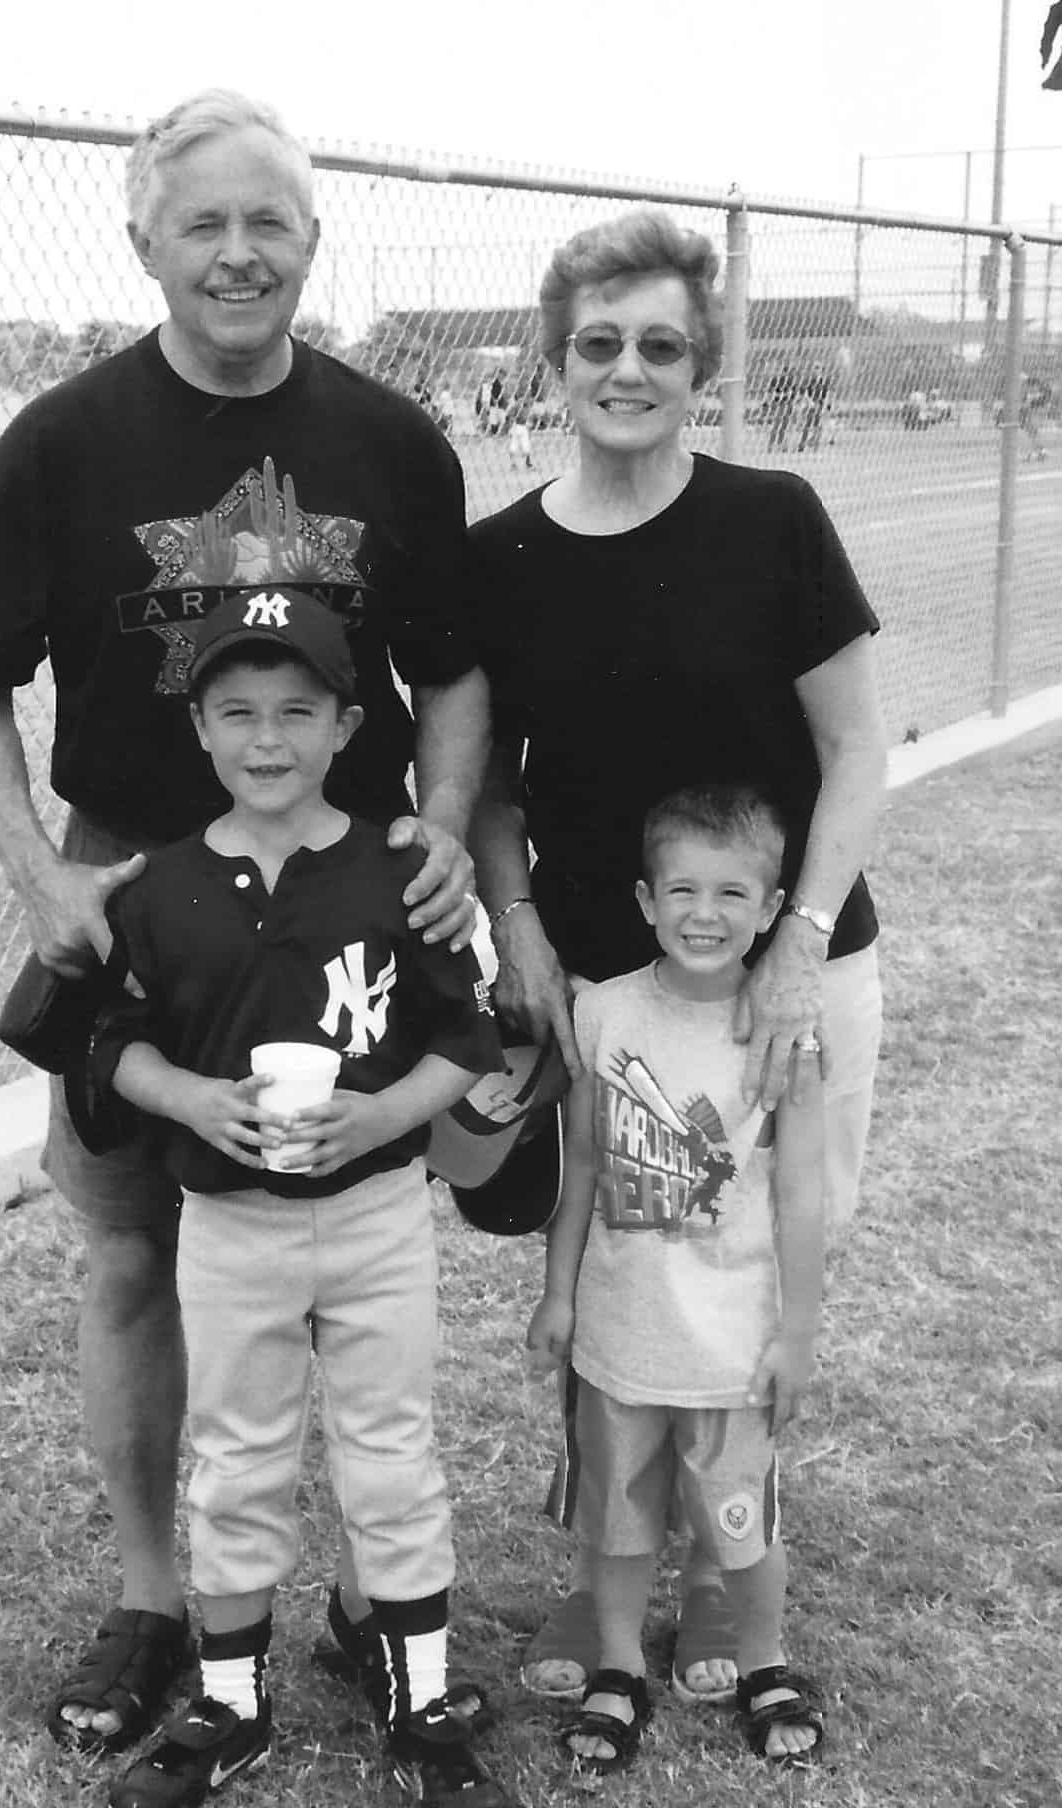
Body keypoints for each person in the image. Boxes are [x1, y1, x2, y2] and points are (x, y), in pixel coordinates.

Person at [0, 87, 489, 1756]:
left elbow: (452, 671)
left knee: (344, 1255)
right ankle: (159, 1598)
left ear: (310, 238)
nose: (238, 252)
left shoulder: (397, 443)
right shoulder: (61, 442)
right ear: (145, 242)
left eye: (269, 222)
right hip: (133, 890)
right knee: (129, 1255)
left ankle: (371, 1596)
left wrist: (442, 832)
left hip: (341, 901)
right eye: (205, 223)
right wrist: (40, 870)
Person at [468, 205, 886, 1704]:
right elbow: (491, 786)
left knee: (748, 1261)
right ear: (553, 360)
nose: (627, 369)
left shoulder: (772, 520)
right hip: (604, 985)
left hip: (784, 975)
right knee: (618, 1271)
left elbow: (854, 753)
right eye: (598, 344)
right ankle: (606, 1589)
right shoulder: (501, 554)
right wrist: (515, 924)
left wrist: (798, 943)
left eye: (659, 344)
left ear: (701, 364)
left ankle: (725, 1584)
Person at [91, 590, 515, 1808]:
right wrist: (188, 1097)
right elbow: (113, 1041)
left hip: (378, 1212)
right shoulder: (160, 884)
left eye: (296, 711)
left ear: (344, 726)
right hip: (230, 1221)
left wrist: (383, 1115)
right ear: (201, 731)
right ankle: (230, 1701)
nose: (266, 738)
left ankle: (421, 1694)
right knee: (236, 1457)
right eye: (237, 712)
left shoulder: (397, 870)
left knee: (390, 1449)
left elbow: (465, 1036)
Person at [528, 785, 826, 1772]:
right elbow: (578, 1172)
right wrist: (559, 1292)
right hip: (621, 1337)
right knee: (616, 1522)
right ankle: (618, 1665)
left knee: (743, 1521)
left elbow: (799, 1200)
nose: (707, 912)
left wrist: (796, 1331)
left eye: (733, 891)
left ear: (774, 906)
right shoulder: (604, 1011)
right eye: (684, 889)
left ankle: (764, 1657)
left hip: (731, 1347)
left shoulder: (783, 1031)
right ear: (646, 900)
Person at [798, 362, 830, 452]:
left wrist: (825, 405)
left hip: (820, 404)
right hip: (811, 405)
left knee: (818, 426)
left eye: (818, 368)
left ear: (821, 370)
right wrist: (810, 402)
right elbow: (805, 393)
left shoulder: (824, 381)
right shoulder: (809, 381)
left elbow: (826, 393)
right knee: (807, 425)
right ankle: (802, 444)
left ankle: (815, 445)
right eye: (815, 368)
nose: (816, 370)